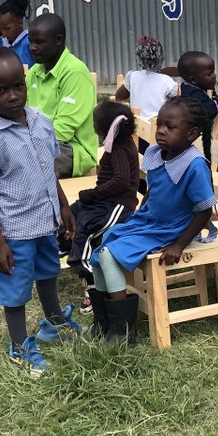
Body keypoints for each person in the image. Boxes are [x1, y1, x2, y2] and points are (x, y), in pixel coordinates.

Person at [0, 47, 78, 377]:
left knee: (48, 272)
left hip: (44, 221)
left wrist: (63, 205)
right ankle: (18, 346)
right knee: (15, 289)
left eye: (18, 85)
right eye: (1, 90)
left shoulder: (41, 122)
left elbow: (49, 170)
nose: (12, 95)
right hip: (12, 230)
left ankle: (54, 322)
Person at [90, 96, 216, 344]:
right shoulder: (157, 153)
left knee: (108, 255)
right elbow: (153, 189)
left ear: (191, 134)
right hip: (150, 220)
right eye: (159, 124)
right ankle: (104, 319)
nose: (160, 131)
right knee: (101, 246)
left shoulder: (194, 165)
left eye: (170, 127)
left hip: (172, 229)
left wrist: (179, 244)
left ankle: (123, 330)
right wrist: (141, 211)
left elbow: (204, 211)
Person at [64, 101, 140, 323]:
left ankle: (92, 282)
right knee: (71, 216)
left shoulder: (119, 147)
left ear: (104, 128)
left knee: (86, 232)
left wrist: (94, 193)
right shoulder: (115, 142)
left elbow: (120, 181)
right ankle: (69, 253)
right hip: (103, 202)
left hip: (118, 206)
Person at [26, 13, 99, 178]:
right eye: (31, 42)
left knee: (24, 160)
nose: (32, 47)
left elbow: (63, 130)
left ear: (58, 40)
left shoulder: (75, 72)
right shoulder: (34, 73)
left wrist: (23, 142)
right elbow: (21, 114)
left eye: (39, 42)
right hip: (37, 143)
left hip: (73, 150)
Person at [177, 50, 218, 161]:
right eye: (209, 74)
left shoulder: (187, 88)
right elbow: (207, 110)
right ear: (193, 79)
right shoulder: (194, 95)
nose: (214, 76)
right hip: (194, 145)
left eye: (213, 72)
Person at [115, 35, 177, 120]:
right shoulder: (168, 81)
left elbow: (119, 97)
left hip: (136, 126)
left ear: (140, 58)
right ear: (161, 58)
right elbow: (176, 105)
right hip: (158, 126)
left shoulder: (132, 76)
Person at [0, 0, 34, 68]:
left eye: (7, 29)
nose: (4, 34)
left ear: (19, 22)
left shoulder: (30, 41)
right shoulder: (0, 43)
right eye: (1, 29)